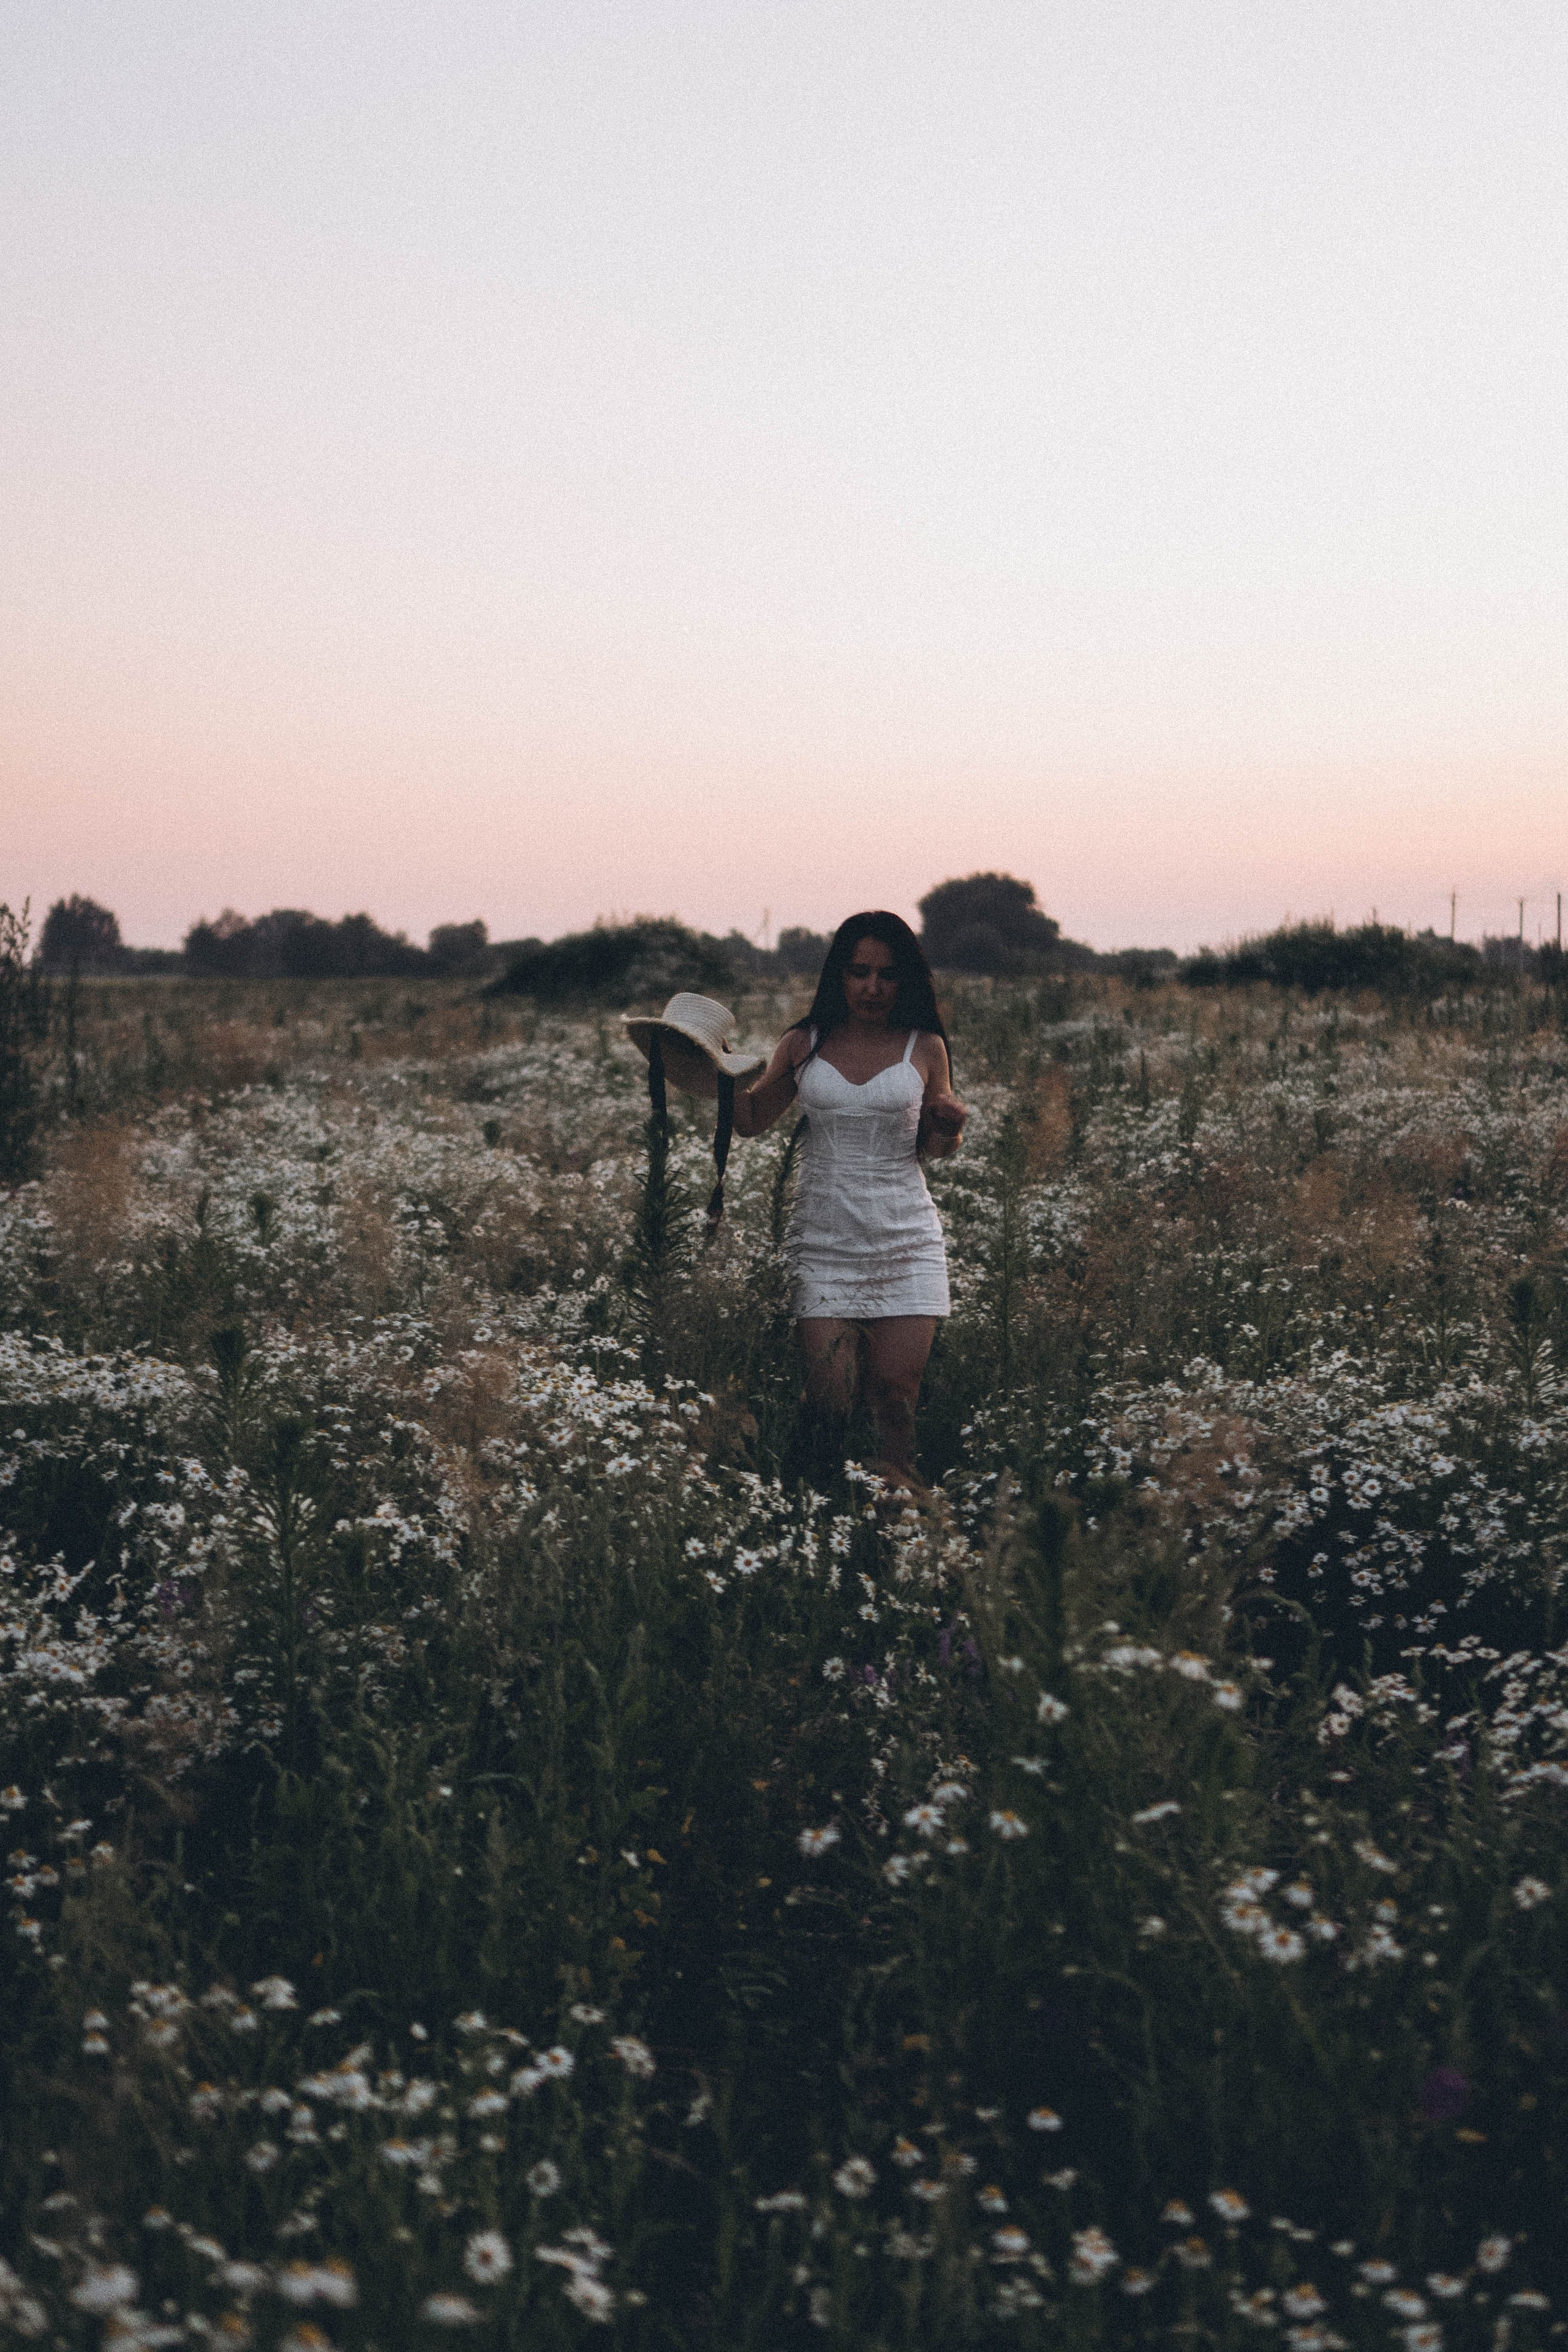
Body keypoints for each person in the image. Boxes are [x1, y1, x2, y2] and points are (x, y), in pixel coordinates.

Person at [735, 911, 967, 1485]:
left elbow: (937, 1150)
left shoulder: (925, 1045)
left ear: (905, 980)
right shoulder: (803, 1043)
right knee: (830, 1399)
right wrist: (700, 1070)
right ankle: (813, 1513)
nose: (871, 987)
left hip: (906, 1239)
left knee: (894, 1398)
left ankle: (898, 1522)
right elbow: (750, 1120)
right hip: (823, 1241)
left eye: (886, 975)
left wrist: (949, 1125)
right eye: (859, 971)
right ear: (839, 975)